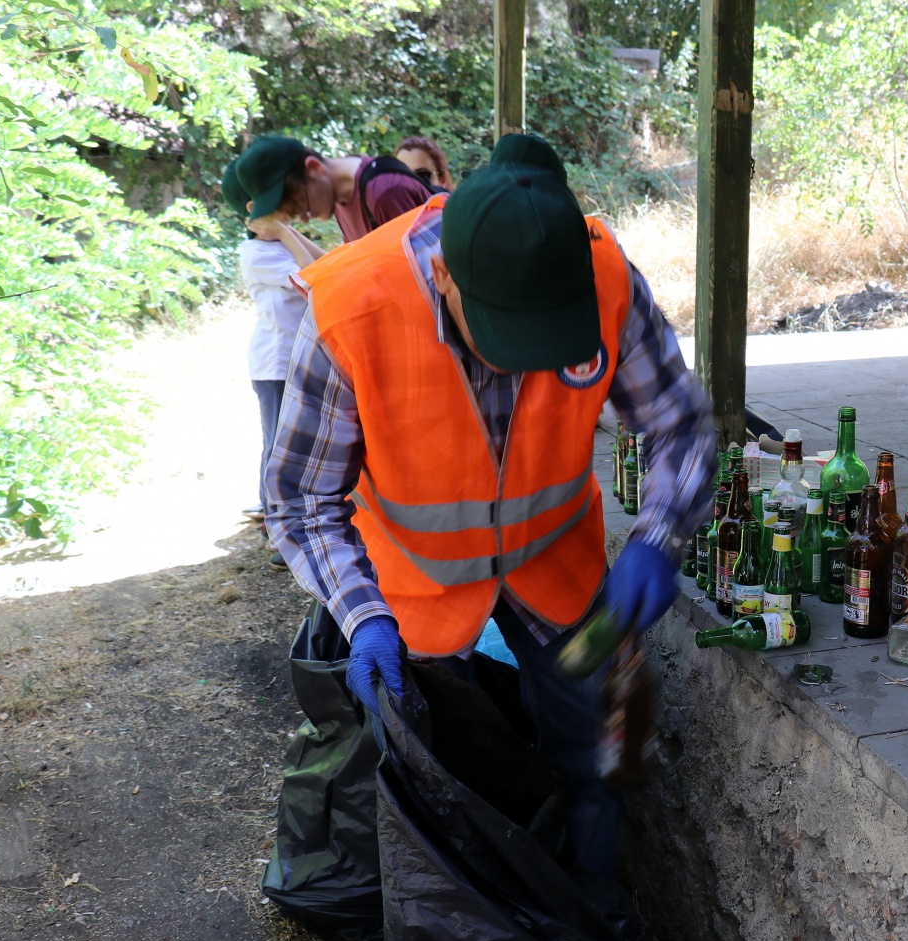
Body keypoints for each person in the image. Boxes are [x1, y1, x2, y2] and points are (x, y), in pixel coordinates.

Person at [264, 134, 715, 878]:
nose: (532, 361)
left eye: (551, 340)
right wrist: (363, 617)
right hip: (419, 592)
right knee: (443, 791)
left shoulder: (603, 276)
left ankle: (588, 921)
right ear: (443, 276)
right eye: (509, 337)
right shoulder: (352, 312)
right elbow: (302, 501)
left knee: (593, 763)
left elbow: (681, 426)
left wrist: (659, 536)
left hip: (555, 568)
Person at [222, 162, 312, 566]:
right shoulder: (255, 251)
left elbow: (331, 264)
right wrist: (286, 234)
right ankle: (277, 529)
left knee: (297, 443)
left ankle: (284, 518)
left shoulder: (279, 244)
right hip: (275, 361)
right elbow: (315, 278)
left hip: (298, 357)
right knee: (278, 444)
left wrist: (289, 233)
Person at [235, 134, 434, 244]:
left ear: (314, 168)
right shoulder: (338, 198)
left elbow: (424, 281)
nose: (304, 218)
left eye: (300, 205)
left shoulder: (383, 193)